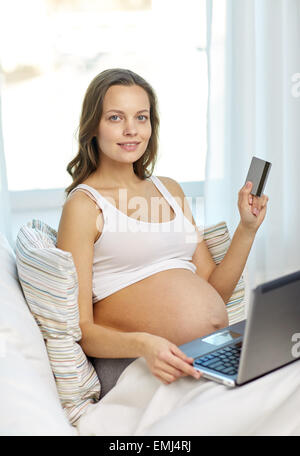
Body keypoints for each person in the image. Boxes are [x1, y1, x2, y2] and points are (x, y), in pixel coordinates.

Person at [56, 68, 269, 398]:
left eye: (141, 117)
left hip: (205, 357)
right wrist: (145, 344)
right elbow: (81, 330)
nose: (131, 130)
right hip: (142, 362)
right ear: (93, 127)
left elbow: (216, 292)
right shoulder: (84, 206)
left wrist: (247, 228)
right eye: (115, 117)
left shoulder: (169, 190)